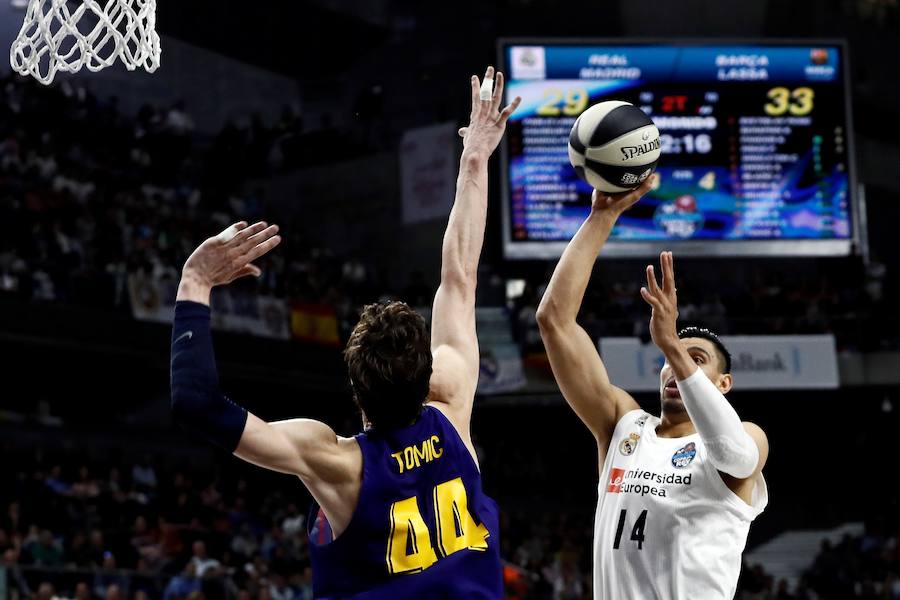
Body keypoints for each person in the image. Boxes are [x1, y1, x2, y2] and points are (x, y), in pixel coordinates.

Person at [170, 66, 521, 598]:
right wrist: (475, 159)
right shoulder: (453, 404)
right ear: (427, 375)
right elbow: (459, 275)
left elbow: (196, 404)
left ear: (356, 390)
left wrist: (195, 281)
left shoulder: (336, 463)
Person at [536, 181, 769, 599]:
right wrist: (601, 217)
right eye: (671, 360)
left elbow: (735, 456)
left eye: (696, 359)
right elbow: (554, 320)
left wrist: (672, 347)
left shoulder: (748, 436)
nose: (676, 369)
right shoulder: (623, 424)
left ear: (724, 384)